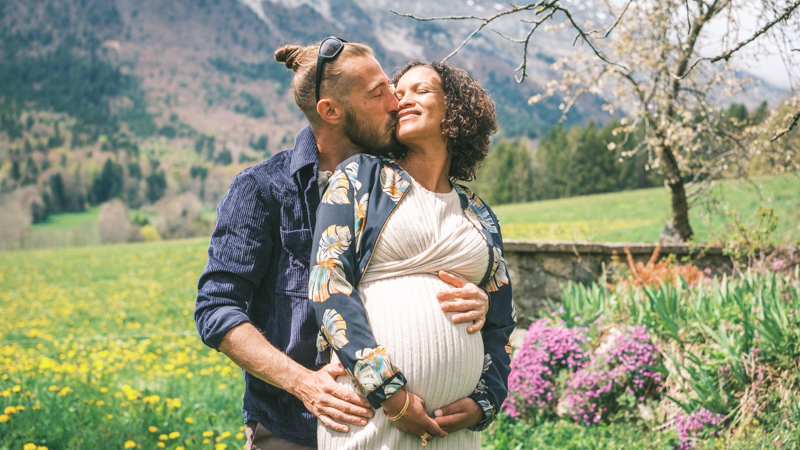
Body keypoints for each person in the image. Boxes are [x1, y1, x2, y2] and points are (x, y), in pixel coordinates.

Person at [194, 38, 492, 450]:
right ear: (331, 111)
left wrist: (474, 297)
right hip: (294, 428)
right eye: (379, 93)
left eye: (392, 87)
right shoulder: (262, 189)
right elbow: (216, 309)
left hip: (396, 436)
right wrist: (304, 384)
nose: (396, 102)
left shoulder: (402, 184)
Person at [309, 60, 516, 449]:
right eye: (396, 93)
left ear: (454, 107)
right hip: (368, 414)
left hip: (452, 432)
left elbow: (503, 319)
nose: (402, 100)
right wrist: (390, 394)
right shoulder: (360, 178)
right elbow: (328, 283)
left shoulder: (480, 215)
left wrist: (485, 400)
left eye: (420, 90)